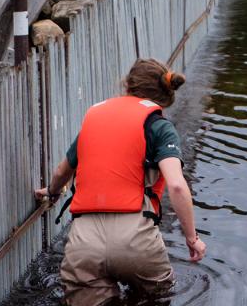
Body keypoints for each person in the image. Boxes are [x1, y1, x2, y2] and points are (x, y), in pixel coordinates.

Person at [35, 58, 207, 305]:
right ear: (164, 94)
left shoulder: (94, 120)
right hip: (136, 240)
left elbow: (61, 172)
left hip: (84, 242)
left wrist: (51, 193)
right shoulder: (159, 127)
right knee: (157, 296)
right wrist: (192, 238)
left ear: (126, 85)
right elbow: (177, 186)